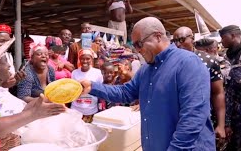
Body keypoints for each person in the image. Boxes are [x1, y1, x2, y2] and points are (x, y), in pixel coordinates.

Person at [80, 17, 215, 151]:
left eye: (139, 44)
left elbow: (193, 117)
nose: (137, 50)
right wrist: (92, 87)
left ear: (157, 37)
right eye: (134, 46)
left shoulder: (188, 63)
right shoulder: (146, 69)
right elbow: (125, 92)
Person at [173, 27, 226, 141]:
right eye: (175, 41)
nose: (177, 44)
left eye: (181, 40)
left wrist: (221, 125)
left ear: (192, 39)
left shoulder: (208, 61)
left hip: (201, 121)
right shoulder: (171, 62)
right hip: (175, 121)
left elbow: (218, 93)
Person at [219, 25, 241, 150]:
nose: (221, 41)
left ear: (232, 36)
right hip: (230, 117)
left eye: (223, 37)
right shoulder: (226, 58)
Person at [71, 49, 103, 123]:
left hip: (91, 110)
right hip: (76, 110)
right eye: (82, 59)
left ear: (91, 59)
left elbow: (100, 91)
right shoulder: (74, 73)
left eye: (88, 59)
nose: (85, 61)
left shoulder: (97, 73)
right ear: (79, 59)